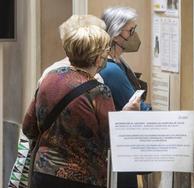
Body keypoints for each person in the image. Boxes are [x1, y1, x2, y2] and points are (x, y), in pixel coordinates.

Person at [22, 16, 140, 188]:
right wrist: (126, 114)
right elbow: (111, 138)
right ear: (98, 58)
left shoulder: (49, 78)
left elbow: (28, 128)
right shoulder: (98, 91)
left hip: (44, 174)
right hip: (82, 177)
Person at [100, 6, 151, 188]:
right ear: (115, 34)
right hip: (119, 152)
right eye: (130, 31)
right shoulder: (111, 68)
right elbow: (132, 102)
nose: (133, 36)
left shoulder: (118, 62)